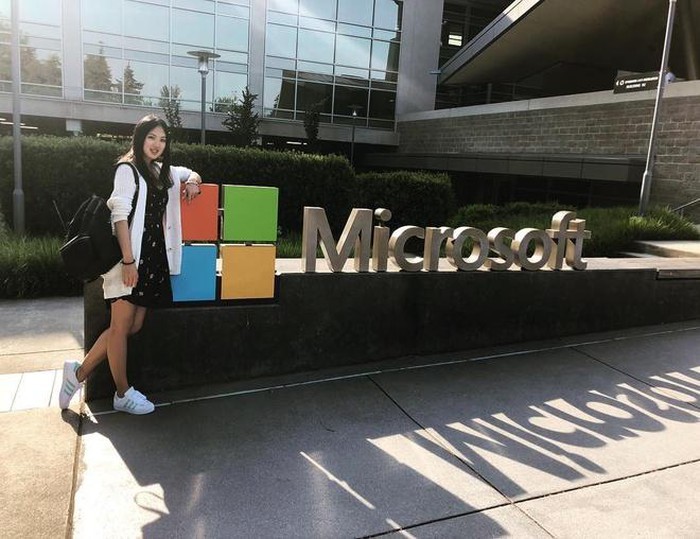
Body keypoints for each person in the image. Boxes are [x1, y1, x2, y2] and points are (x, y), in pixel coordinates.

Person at [58, 114, 202, 415]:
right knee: (121, 327)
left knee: (130, 326)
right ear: (139, 138)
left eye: (162, 139)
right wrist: (128, 261)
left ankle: (78, 373)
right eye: (151, 137)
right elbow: (119, 216)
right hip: (129, 259)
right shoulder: (128, 169)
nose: (157, 144)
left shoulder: (160, 170)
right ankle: (122, 393)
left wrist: (192, 181)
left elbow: (190, 172)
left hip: (152, 260)